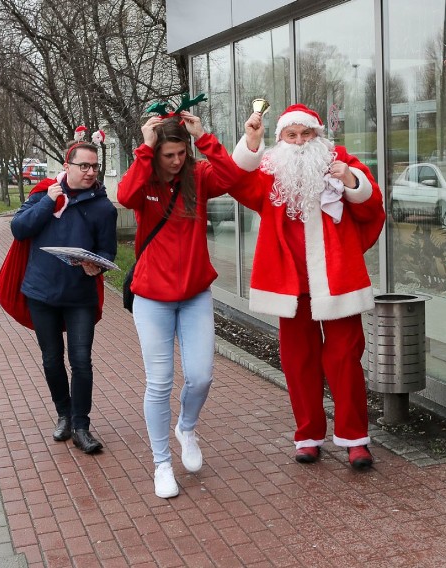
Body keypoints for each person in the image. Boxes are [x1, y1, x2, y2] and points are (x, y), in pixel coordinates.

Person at [227, 104, 385, 470]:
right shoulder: (270, 170)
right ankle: (308, 435)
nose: (299, 142)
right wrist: (251, 143)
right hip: (290, 282)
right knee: (299, 363)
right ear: (280, 138)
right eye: (291, 135)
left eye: (306, 134)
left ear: (318, 135)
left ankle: (354, 439)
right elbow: (235, 182)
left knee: (345, 359)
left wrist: (349, 181)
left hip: (336, 280)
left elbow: (371, 206)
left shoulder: (340, 160)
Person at [117, 110, 259, 499]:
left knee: (201, 376)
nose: (177, 161)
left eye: (181, 153)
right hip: (152, 299)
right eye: (169, 154)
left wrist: (205, 139)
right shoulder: (143, 181)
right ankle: (162, 463)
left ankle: (187, 427)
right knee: (159, 382)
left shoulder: (196, 178)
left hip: (195, 294)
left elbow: (233, 176)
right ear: (156, 152)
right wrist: (145, 148)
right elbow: (125, 195)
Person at [10, 142, 117, 454]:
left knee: (81, 360)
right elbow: (18, 229)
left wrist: (96, 267)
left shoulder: (103, 207)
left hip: (79, 296)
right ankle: (64, 415)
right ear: (67, 166)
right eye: (83, 166)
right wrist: (49, 202)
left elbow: (108, 251)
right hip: (41, 292)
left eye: (94, 166)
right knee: (51, 359)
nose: (90, 172)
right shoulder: (44, 194)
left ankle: (82, 426)